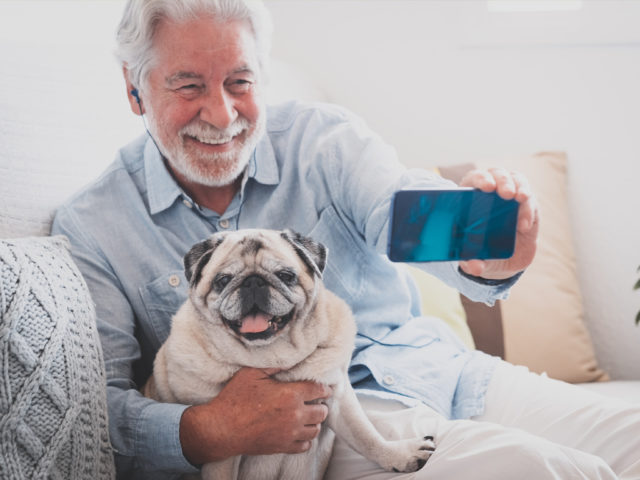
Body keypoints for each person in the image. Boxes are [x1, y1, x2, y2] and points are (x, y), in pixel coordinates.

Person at [51, 1, 640, 479]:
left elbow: (397, 209)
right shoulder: (97, 226)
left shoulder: (323, 141)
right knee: (548, 470)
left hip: (447, 372)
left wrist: (486, 248)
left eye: (240, 81)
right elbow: (93, 410)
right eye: (188, 86)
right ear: (134, 90)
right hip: (328, 426)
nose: (223, 113)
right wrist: (209, 429)